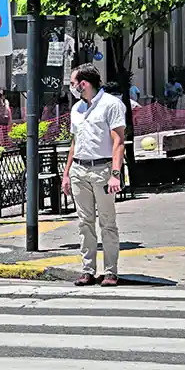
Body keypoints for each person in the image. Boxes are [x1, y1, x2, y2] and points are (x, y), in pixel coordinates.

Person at [63, 66, 126, 287]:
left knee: (107, 222)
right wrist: (67, 174)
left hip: (102, 170)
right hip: (79, 170)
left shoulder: (111, 104)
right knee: (84, 223)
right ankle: (87, 270)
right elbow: (74, 143)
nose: (70, 87)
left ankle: (110, 271)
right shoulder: (77, 109)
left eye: (72, 83)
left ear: (84, 84)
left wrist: (115, 174)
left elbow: (119, 141)